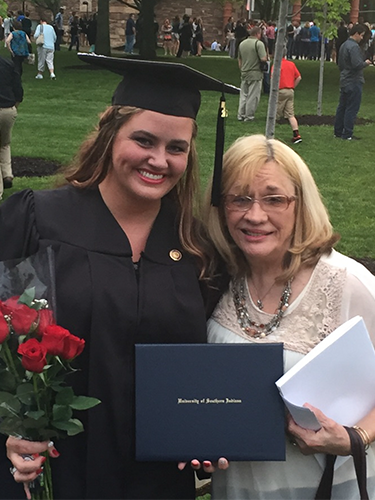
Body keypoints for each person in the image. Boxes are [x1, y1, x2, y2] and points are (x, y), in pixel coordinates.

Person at [0, 55, 238, 500]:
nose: (158, 160)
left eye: (176, 148)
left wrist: (210, 425)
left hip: (156, 478)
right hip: (51, 470)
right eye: (143, 140)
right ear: (110, 134)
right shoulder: (37, 220)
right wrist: (10, 428)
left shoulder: (197, 248)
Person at [203, 133, 375, 500]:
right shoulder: (214, 278)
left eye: (274, 199)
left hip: (326, 488)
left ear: (300, 204)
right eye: (239, 198)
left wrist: (357, 436)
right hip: (237, 487)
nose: (255, 214)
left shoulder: (345, 284)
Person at [334, 23, 372, 141]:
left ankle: (338, 131)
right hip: (354, 80)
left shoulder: (344, 45)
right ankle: (348, 134)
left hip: (344, 78)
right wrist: (366, 62)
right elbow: (357, 65)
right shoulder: (354, 47)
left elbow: (340, 64)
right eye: (361, 35)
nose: (362, 38)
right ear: (356, 34)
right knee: (352, 108)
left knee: (342, 107)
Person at [0, 55, 23, 199]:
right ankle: (7, 174)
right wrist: (16, 104)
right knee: (4, 143)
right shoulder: (8, 63)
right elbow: (17, 88)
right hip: (8, 109)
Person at [237, 26, 267, 122]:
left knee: (243, 95)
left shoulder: (242, 43)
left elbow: (239, 59)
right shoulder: (259, 44)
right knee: (253, 96)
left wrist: (242, 69)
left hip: (244, 72)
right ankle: (249, 116)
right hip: (255, 73)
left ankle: (240, 114)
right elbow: (263, 58)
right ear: (257, 34)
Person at [273, 50, 302, 143]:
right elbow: (299, 77)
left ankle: (270, 134)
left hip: (280, 90)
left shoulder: (276, 65)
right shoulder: (291, 64)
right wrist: (293, 86)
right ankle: (296, 134)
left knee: (274, 112)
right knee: (290, 114)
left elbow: (273, 77)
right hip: (290, 91)